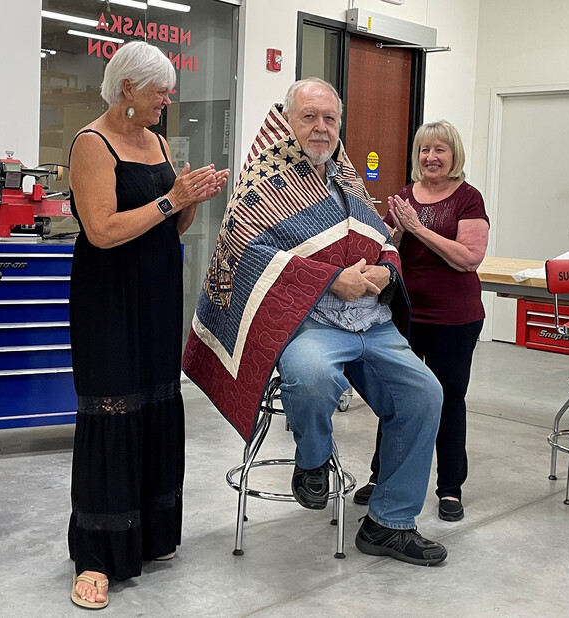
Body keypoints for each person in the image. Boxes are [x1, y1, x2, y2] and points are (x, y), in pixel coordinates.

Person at [183, 78, 447, 566]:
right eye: (309, 117)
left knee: (425, 394)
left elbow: (379, 236)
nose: (321, 128)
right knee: (309, 376)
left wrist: (386, 267)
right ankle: (312, 461)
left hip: (373, 322)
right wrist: (330, 280)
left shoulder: (346, 177)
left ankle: (389, 522)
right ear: (288, 120)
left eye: (330, 119)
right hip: (312, 324)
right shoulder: (264, 182)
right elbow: (244, 253)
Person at [65, 41, 228, 610]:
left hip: (157, 293)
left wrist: (190, 200)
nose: (168, 97)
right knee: (113, 408)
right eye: (159, 89)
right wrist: (170, 200)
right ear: (127, 89)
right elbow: (103, 231)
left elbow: (170, 229)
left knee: (156, 402)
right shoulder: (92, 143)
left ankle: (149, 534)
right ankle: (95, 555)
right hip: (108, 299)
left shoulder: (155, 140)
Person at [352, 120, 489, 524]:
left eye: (440, 150)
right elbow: (387, 248)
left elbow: (468, 258)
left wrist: (417, 228)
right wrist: (392, 232)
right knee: (395, 399)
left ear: (454, 155)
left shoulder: (468, 198)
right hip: (405, 314)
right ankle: (382, 477)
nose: (431, 158)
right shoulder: (403, 197)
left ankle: (449, 488)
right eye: (425, 150)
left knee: (447, 399)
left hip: (454, 318)